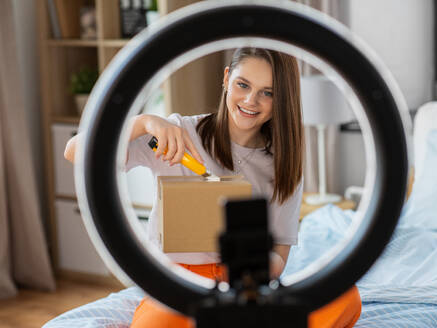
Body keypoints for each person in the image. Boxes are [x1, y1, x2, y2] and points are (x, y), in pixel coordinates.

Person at [64, 47, 361, 328]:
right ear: (226, 78)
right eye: (243, 85)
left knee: (346, 297)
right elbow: (74, 151)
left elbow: (280, 255)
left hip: (244, 285)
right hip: (178, 283)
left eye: (267, 93)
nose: (250, 101)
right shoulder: (178, 133)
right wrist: (144, 123)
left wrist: (249, 263)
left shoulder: (284, 163)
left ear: (282, 98)